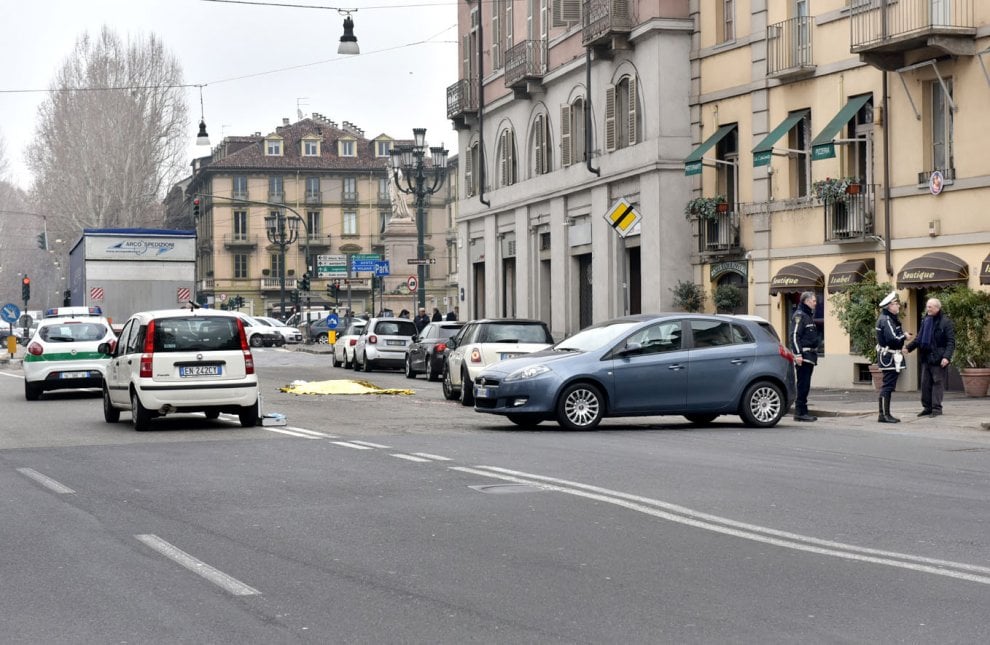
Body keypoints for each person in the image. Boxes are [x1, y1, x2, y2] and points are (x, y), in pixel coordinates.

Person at [905, 297, 954, 417]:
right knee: (925, 384)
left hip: (939, 358)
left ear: (937, 308)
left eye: (930, 307)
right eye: (927, 306)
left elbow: (951, 342)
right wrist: (908, 348)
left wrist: (946, 357)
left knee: (937, 383)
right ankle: (927, 408)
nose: (927, 309)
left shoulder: (946, 322)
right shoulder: (926, 320)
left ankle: (936, 409)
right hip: (926, 357)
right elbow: (919, 338)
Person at [875, 291, 912, 423]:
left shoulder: (888, 319)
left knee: (888, 385)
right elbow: (892, 339)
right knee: (888, 386)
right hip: (889, 356)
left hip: (890, 355)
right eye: (896, 304)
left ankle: (885, 414)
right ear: (889, 306)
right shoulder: (886, 320)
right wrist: (905, 336)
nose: (898, 306)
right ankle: (883, 415)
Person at [790, 291, 820, 422]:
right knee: (803, 385)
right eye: (813, 301)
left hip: (810, 356)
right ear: (807, 301)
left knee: (805, 385)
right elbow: (794, 335)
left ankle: (803, 411)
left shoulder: (808, 316)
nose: (815, 303)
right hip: (804, 356)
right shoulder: (800, 316)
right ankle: (799, 412)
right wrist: (798, 354)